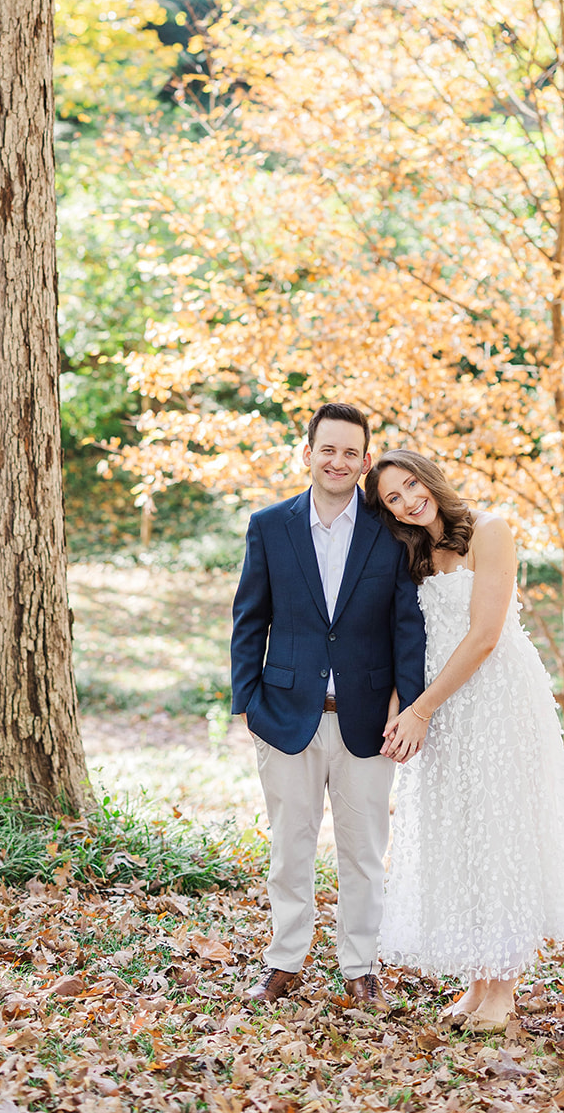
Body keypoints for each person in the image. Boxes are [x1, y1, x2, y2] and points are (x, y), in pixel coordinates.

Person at [364, 449, 564, 1030]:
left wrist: (419, 710)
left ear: (430, 476)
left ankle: (503, 989)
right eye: (392, 500)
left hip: (497, 699)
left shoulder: (490, 530)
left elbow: (483, 636)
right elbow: (408, 639)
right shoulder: (415, 554)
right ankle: (478, 983)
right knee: (463, 835)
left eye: (410, 485)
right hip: (443, 706)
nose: (407, 501)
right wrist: (408, 707)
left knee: (500, 833)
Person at [231, 404, 427, 1009]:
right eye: (328, 449)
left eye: (351, 453)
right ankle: (285, 960)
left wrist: (409, 706)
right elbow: (249, 618)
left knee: (363, 851)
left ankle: (359, 966)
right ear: (308, 454)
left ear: (365, 462)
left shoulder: (389, 534)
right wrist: (247, 707)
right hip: (285, 715)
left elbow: (407, 629)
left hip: (367, 721)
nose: (338, 461)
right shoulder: (270, 527)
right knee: (290, 846)